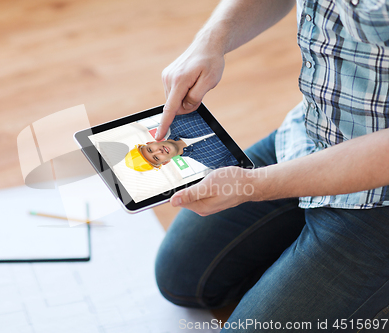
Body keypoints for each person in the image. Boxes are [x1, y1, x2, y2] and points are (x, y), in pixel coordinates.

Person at [154, 0, 389, 331]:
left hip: (380, 194)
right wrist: (211, 39)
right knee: (181, 277)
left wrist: (255, 185)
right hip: (310, 134)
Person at [125, 112, 238, 172]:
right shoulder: (215, 163)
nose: (158, 151)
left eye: (150, 150)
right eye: (156, 158)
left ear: (150, 143)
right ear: (165, 162)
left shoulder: (177, 117)